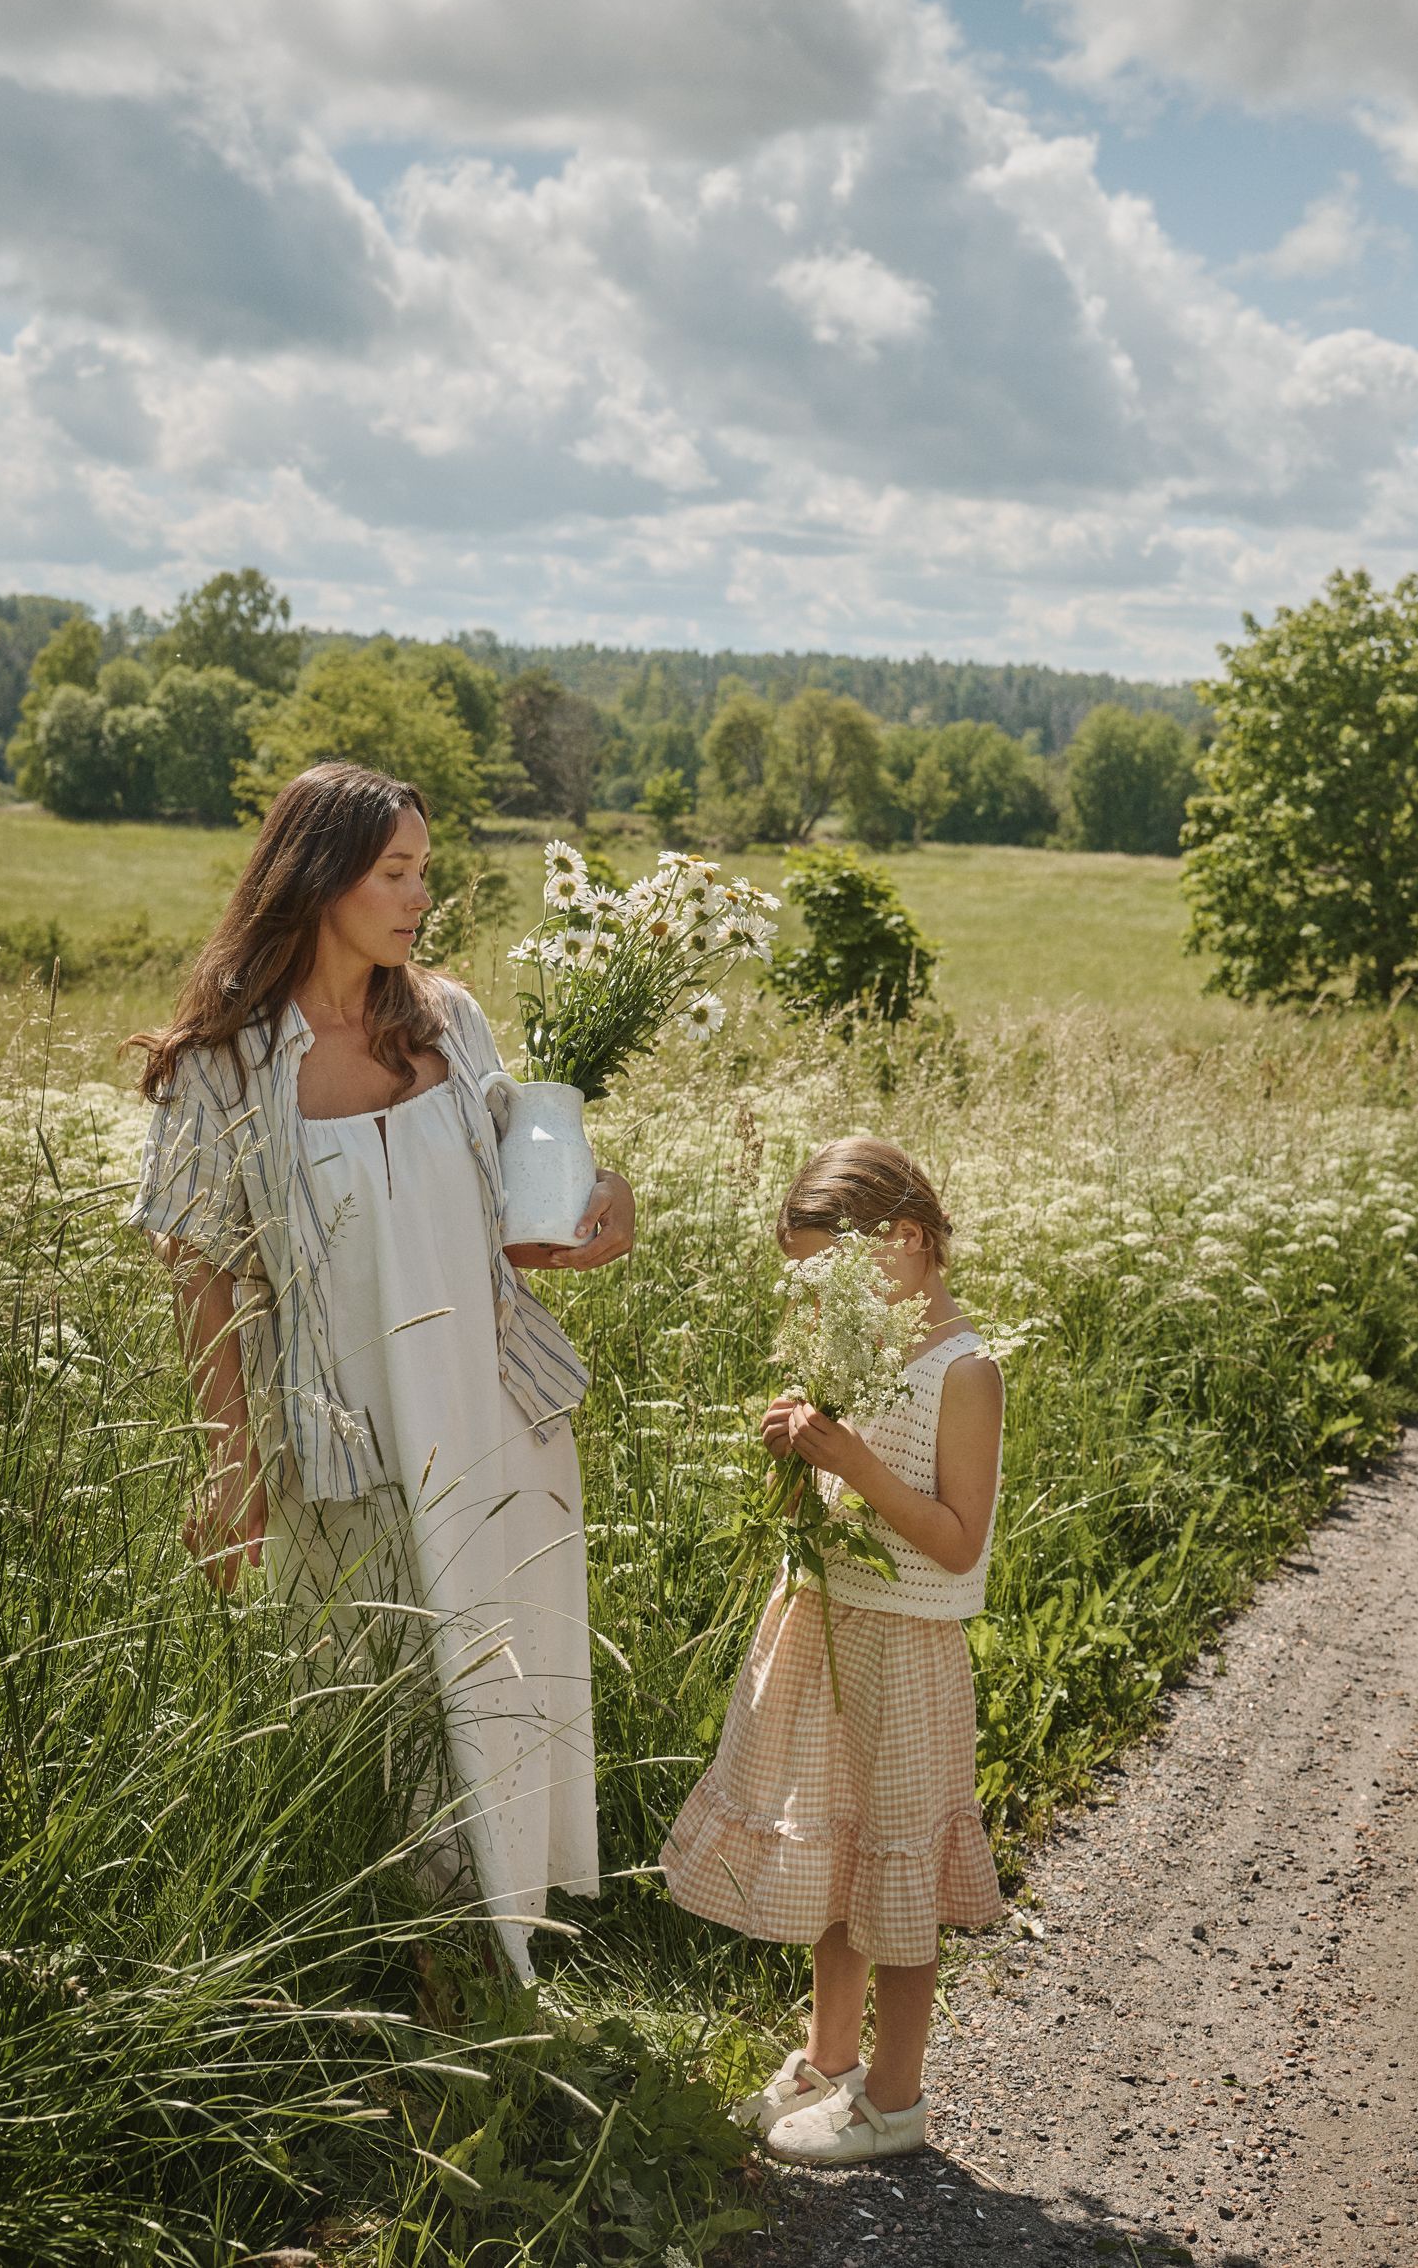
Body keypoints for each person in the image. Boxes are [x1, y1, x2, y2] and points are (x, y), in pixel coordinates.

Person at [124, 760, 635, 1981]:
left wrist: (610, 1205)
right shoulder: (225, 1066)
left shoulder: (451, 1021)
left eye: (423, 869)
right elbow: (197, 1272)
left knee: (507, 1661)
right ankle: (404, 1967)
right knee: (381, 1686)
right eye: (395, 871)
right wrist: (231, 1464)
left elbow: (533, 1207)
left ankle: (512, 1953)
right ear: (318, 877)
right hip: (346, 1433)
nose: (420, 894)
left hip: (495, 1402)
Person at [660, 1136, 1004, 2164]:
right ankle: (827, 2059)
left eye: (827, 1278)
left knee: (898, 1868)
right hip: (828, 1626)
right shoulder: (855, 1350)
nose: (814, 1306)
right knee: (840, 1851)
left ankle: (894, 2099)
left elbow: (954, 1537)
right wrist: (795, 1456)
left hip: (902, 1652)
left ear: (903, 1240)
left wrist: (848, 1453)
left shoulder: (965, 1369)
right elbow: (826, 1503)